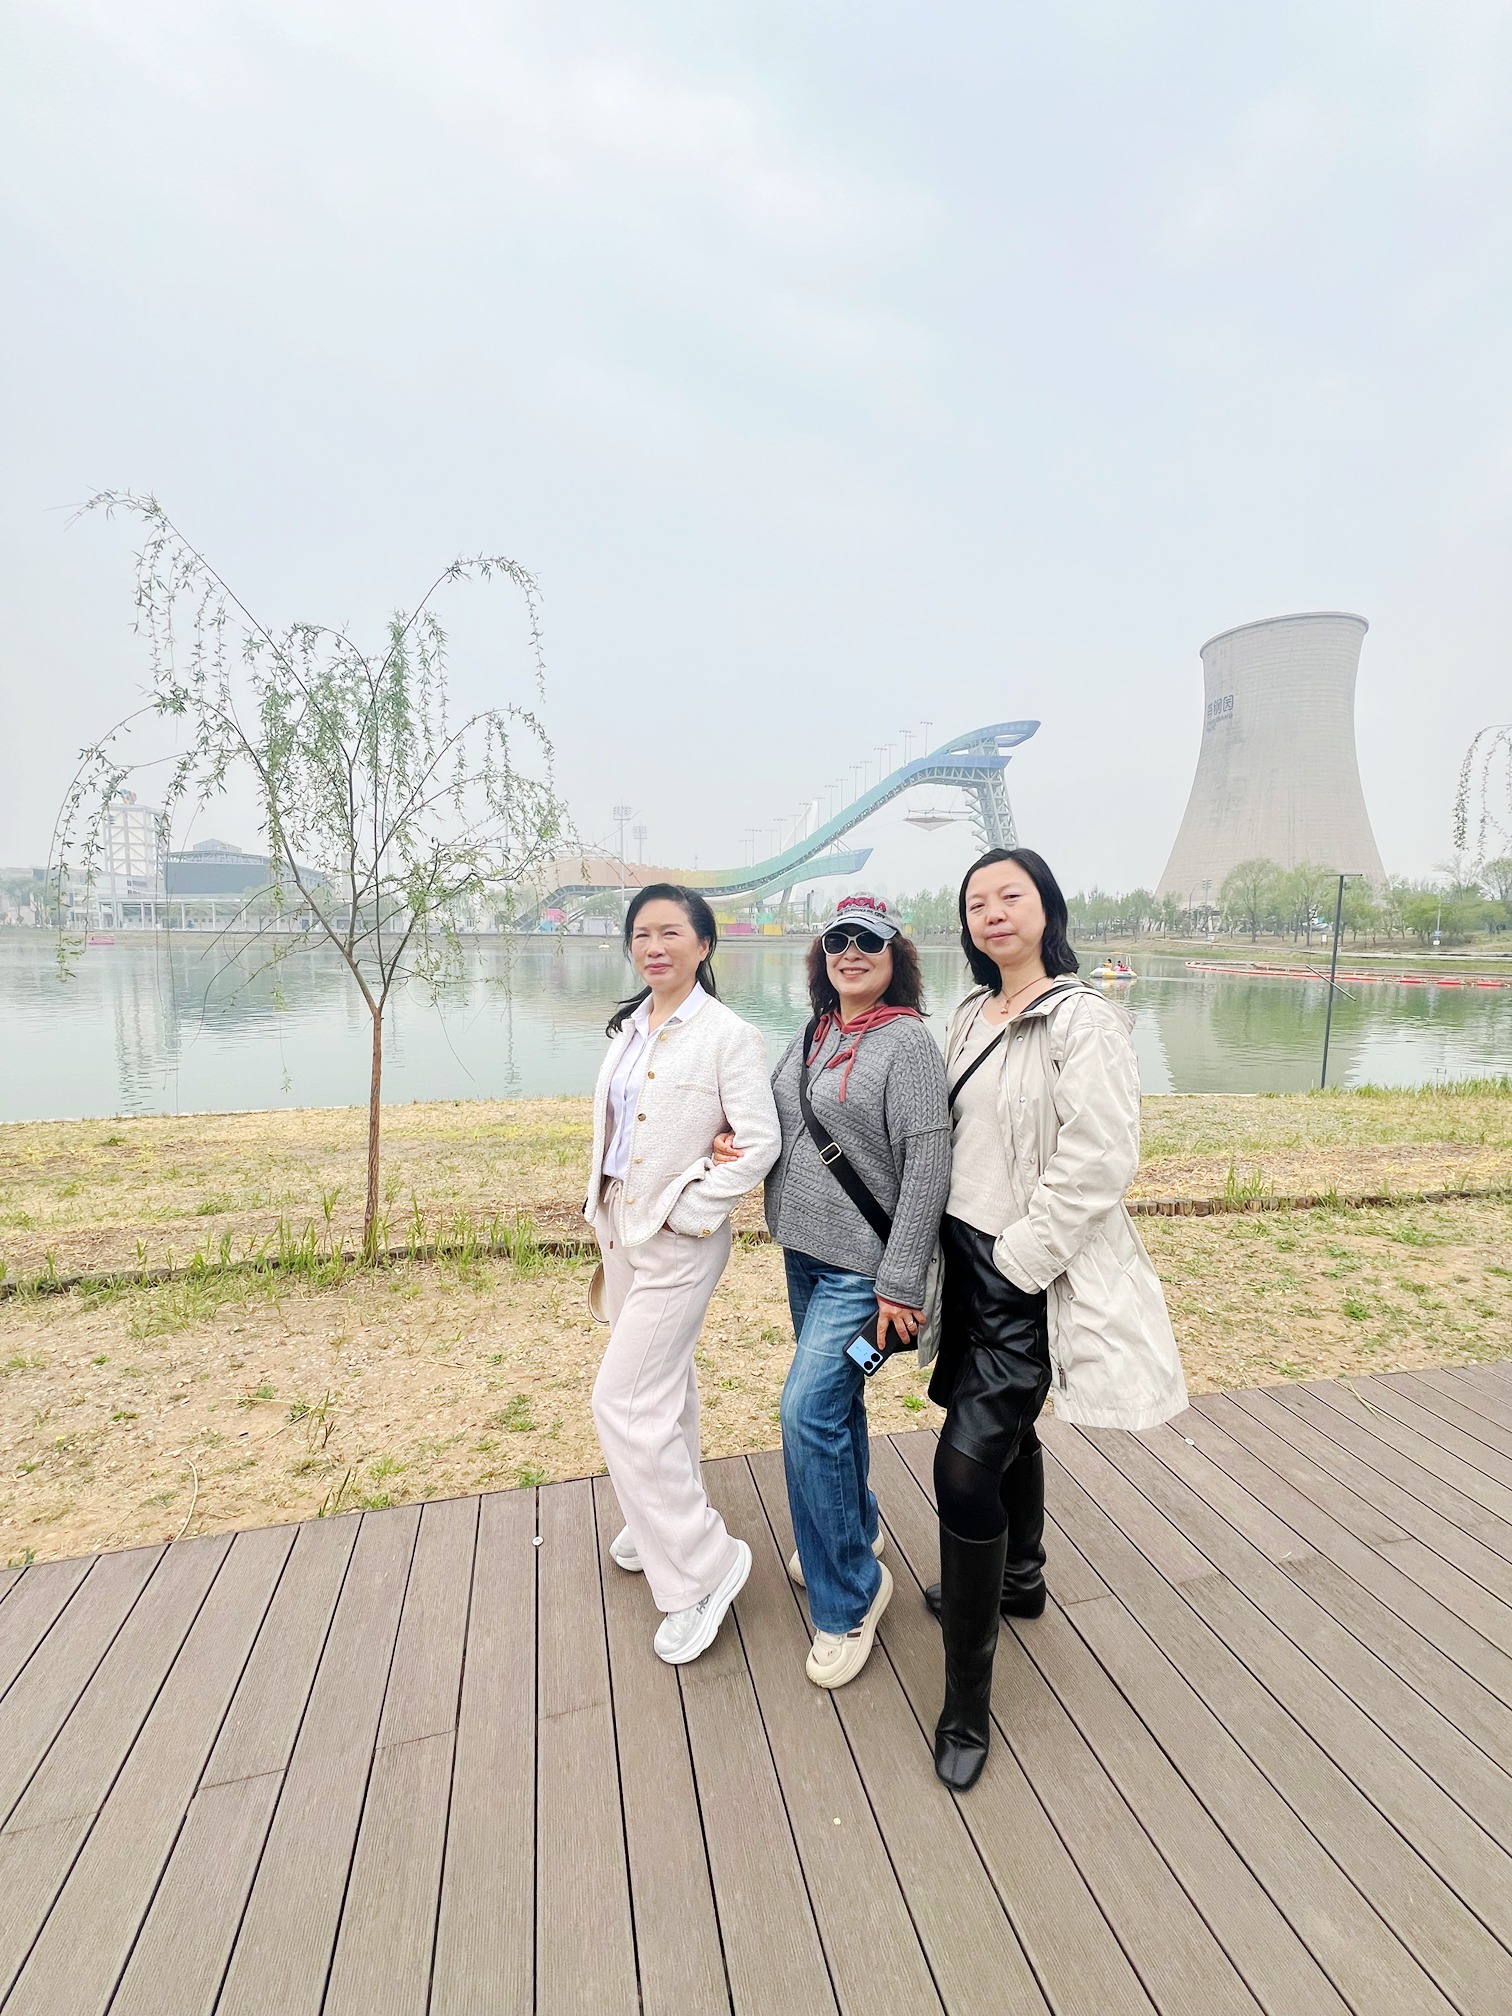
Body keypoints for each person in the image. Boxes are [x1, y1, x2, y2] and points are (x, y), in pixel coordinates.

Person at [928, 848, 1187, 1790]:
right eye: (977, 903)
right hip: (964, 1256)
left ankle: (966, 1702)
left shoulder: (1083, 1020)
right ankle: (1020, 1577)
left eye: (1012, 895)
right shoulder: (968, 1014)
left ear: (1047, 909)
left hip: (1021, 1269)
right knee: (1005, 1432)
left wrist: (1020, 1258)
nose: (993, 912)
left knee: (962, 1472)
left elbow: (1100, 1156)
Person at [714, 893, 949, 1688]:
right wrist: (729, 1137)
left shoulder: (907, 1043)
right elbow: (777, 1117)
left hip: (866, 1275)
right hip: (806, 1258)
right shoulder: (815, 1030)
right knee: (836, 1406)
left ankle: (849, 1593)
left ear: (894, 957)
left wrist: (901, 1283)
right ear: (822, 955)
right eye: (837, 939)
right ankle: (859, 1526)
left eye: (868, 941)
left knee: (805, 1412)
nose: (851, 952)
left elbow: (927, 1169)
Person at [585, 883, 780, 1665]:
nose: (653, 946)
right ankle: (658, 1513)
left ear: (704, 944)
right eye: (642, 934)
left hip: (675, 1239)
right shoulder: (632, 1026)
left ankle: (701, 1566)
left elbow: (758, 1141)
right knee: (664, 1388)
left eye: (670, 932)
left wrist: (692, 1206)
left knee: (623, 1401)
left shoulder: (728, 1035)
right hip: (621, 1227)